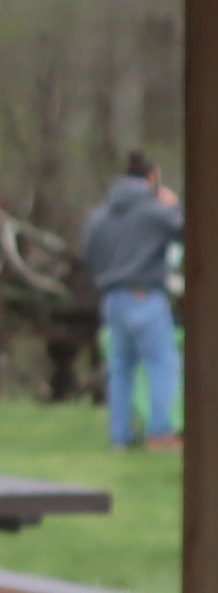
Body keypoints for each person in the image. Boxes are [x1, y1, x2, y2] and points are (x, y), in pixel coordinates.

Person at [85, 151, 184, 451]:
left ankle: (121, 438)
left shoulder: (99, 216)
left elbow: (89, 254)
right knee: (163, 364)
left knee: (121, 368)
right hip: (145, 294)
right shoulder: (155, 212)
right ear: (152, 178)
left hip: (112, 297)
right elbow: (192, 232)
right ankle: (162, 432)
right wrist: (174, 206)